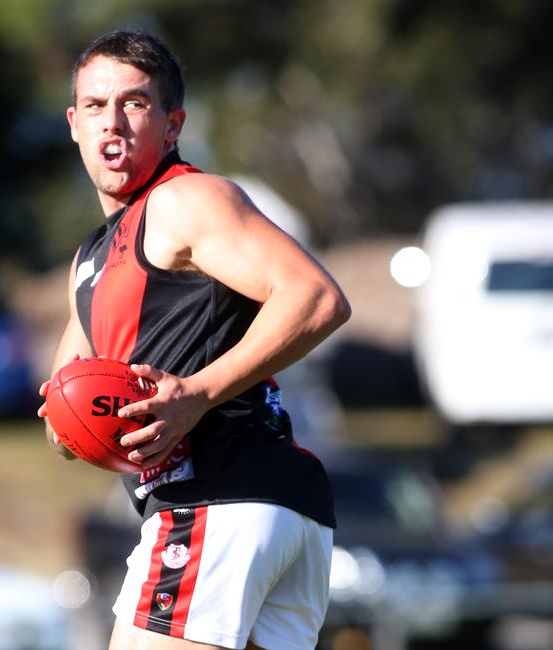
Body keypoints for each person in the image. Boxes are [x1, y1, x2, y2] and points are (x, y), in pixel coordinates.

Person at [37, 29, 351, 650]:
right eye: (96, 106)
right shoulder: (91, 258)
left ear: (173, 123)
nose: (113, 123)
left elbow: (316, 298)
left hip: (217, 501)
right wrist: (84, 424)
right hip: (276, 511)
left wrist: (196, 394)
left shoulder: (185, 200)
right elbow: (61, 414)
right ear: (74, 123)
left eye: (134, 104)